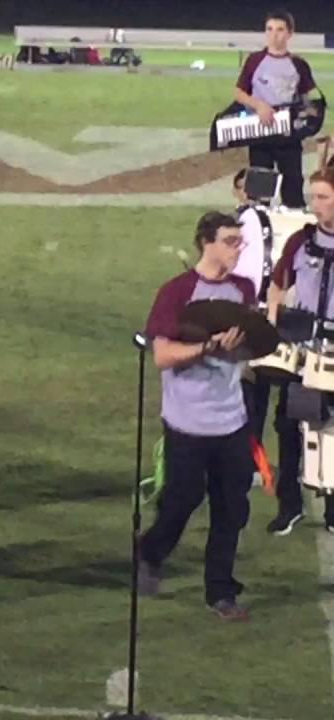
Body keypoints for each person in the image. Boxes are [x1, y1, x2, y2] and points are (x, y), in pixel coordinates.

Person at [138, 211, 255, 621]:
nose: (238, 248)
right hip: (187, 421)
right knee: (182, 499)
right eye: (230, 241)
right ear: (207, 243)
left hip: (231, 420)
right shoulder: (177, 292)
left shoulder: (244, 289)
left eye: (240, 241)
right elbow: (162, 356)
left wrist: (245, 352)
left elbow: (248, 347)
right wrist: (208, 348)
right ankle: (150, 551)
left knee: (231, 508)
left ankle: (220, 592)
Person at [267, 167, 334, 533]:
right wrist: (272, 322)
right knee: (289, 426)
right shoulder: (300, 240)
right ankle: (289, 505)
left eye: (323, 197)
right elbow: (277, 285)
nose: (315, 204)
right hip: (303, 349)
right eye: (314, 196)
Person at [234, 9, 318, 209]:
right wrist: (259, 105)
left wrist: (308, 116)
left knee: (293, 189)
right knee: (259, 191)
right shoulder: (255, 60)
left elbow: (309, 99)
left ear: (290, 33)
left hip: (289, 136)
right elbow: (238, 92)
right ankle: (259, 223)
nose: (274, 35)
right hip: (261, 134)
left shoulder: (299, 64)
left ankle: (293, 223)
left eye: (280, 30)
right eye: (269, 29)